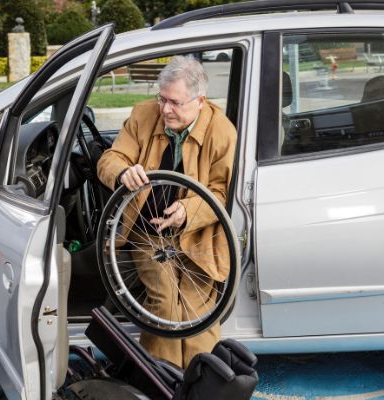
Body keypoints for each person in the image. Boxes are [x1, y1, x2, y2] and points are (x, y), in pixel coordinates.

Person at [97, 55, 237, 368]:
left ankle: (202, 383)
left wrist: (188, 211)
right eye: (162, 99)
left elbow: (221, 193)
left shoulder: (222, 130)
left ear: (199, 101)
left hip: (197, 236)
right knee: (165, 305)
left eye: (174, 102)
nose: (165, 109)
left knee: (196, 310)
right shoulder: (142, 115)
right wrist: (122, 172)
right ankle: (164, 380)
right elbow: (109, 159)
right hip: (147, 232)